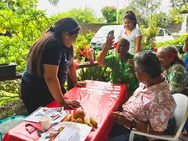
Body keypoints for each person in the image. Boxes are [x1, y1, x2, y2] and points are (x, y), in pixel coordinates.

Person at [21, 17, 86, 114]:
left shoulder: (68, 46)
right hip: (35, 90)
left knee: (61, 115)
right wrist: (62, 102)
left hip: (51, 87)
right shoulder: (54, 45)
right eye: (75, 36)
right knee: (44, 121)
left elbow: (71, 64)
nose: (75, 39)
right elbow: (50, 77)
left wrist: (76, 82)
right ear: (66, 34)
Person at [109, 50, 177, 141]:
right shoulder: (151, 80)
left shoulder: (160, 100)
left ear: (145, 75)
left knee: (104, 136)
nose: (134, 72)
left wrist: (130, 122)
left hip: (137, 133)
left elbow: (157, 131)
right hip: (126, 121)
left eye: (135, 70)